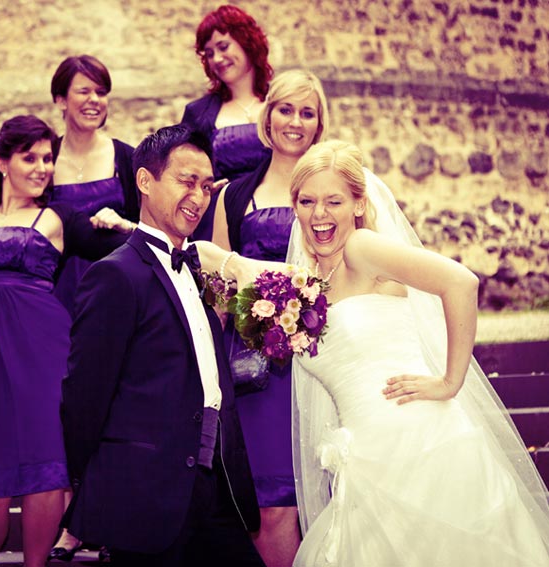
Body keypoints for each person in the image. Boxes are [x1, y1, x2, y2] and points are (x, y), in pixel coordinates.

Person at [220, 140, 549, 566]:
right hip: (364, 457)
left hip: (417, 440)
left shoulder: (362, 248)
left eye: (334, 201)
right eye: (307, 201)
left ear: (359, 204)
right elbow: (215, 260)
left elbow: (461, 282)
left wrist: (450, 382)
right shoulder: (308, 282)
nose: (319, 214)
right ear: (294, 206)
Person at [60, 124, 265, 567]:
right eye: (186, 181)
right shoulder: (115, 274)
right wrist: (99, 483)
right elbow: (84, 396)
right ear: (145, 181)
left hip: (215, 487)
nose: (198, 196)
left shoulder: (196, 269)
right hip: (145, 497)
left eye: (206, 186)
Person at [0, 115, 127, 567]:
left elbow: (117, 252)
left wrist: (125, 225)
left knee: (46, 468)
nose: (42, 168)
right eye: (29, 158)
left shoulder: (60, 215)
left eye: (48, 159)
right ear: (2, 162)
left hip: (43, 353)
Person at [211, 69, 329, 567]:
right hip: (255, 364)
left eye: (307, 112)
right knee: (269, 503)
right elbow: (218, 286)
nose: (295, 122)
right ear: (268, 115)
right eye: (285, 109)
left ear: (320, 123)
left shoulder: (334, 187)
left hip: (322, 352)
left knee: (322, 497)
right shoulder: (233, 196)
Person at [0, 54, 139, 319]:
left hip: (115, 288)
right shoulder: (44, 157)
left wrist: (126, 225)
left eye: (101, 93)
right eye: (84, 91)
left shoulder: (127, 159)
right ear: (61, 99)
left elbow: (149, 225)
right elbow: (6, 187)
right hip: (57, 292)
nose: (94, 99)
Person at [181, 4, 274, 241]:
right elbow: (181, 171)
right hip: (219, 220)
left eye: (223, 47)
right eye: (209, 53)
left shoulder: (282, 103)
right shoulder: (197, 113)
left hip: (276, 215)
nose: (217, 59)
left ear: (247, 42)